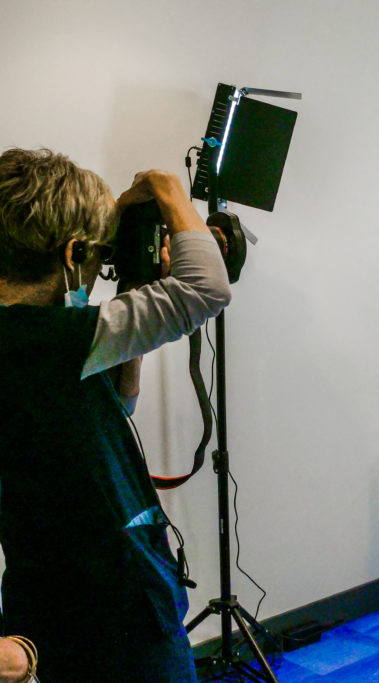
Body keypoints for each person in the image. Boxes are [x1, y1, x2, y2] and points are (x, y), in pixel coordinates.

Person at [0, 148, 231, 682]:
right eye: (93, 253)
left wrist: (134, 288)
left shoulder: (42, 342)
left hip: (81, 602)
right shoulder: (43, 341)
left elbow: (115, 404)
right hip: (110, 620)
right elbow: (206, 287)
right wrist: (166, 186)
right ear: (72, 250)